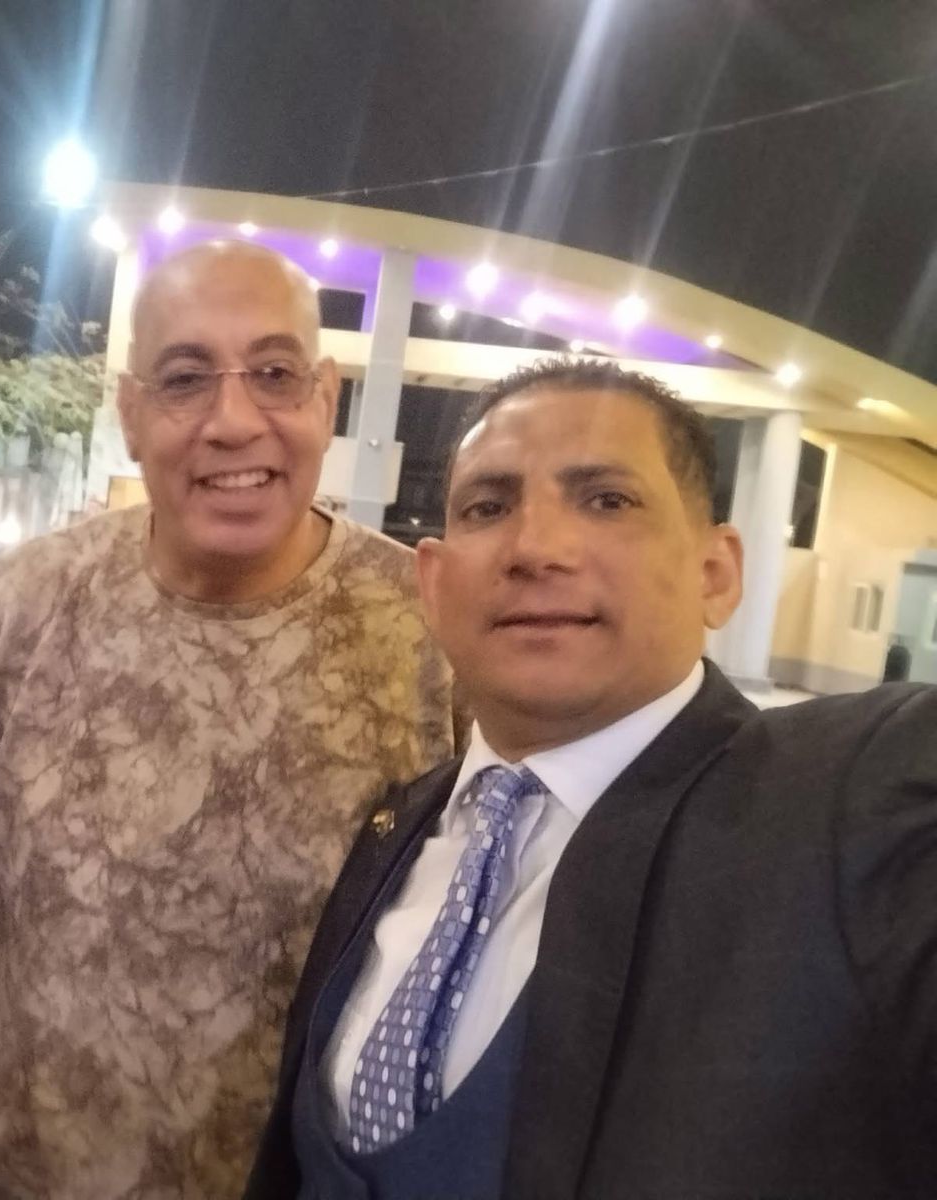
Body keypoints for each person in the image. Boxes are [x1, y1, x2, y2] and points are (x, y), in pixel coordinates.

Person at [245, 358, 937, 1199]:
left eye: (607, 500)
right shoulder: (398, 829)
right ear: (433, 583)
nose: (535, 548)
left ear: (716, 572)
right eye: (489, 507)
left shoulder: (840, 815)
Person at [0, 241, 456, 1197]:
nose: (234, 421)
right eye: (185, 379)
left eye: (275, 375)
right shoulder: (21, 607)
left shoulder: (428, 634)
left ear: (326, 398)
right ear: (130, 414)